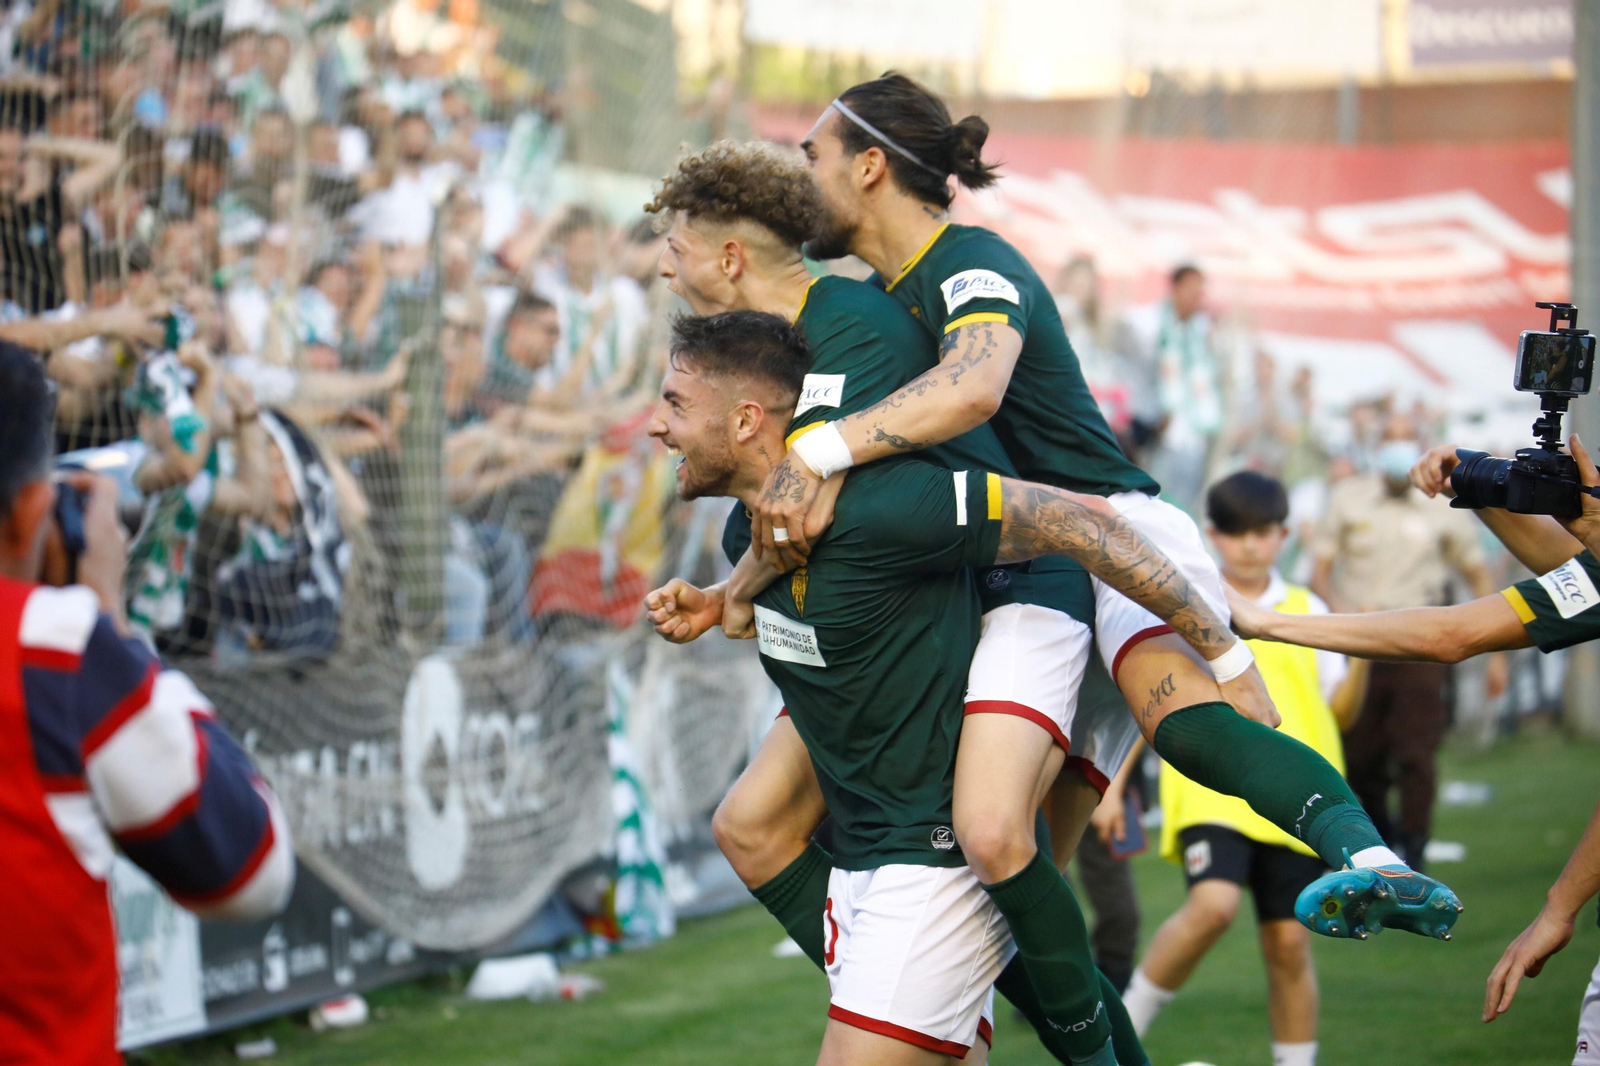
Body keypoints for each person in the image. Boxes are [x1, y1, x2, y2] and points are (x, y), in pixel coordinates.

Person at [750, 71, 1455, 941]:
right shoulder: (870, 298)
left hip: (1110, 528)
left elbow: (973, 387)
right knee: (1005, 887)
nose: (798, 174)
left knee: (1184, 726)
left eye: (809, 153)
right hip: (1026, 575)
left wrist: (817, 452)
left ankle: (1372, 861)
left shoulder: (970, 259)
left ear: (867, 166)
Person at [644, 139, 1164, 1064]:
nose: (661, 265)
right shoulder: (782, 351)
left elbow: (813, 495)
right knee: (751, 825)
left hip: (997, 578)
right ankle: (903, 991)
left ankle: (987, 1013)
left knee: (993, 843)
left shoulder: (854, 321)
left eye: (674, 247)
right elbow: (783, 506)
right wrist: (733, 590)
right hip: (893, 582)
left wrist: (1228, 649)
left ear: (728, 258)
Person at [1227, 436, 1600, 1037]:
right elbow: (1563, 581)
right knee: (1372, 762)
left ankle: (1407, 858)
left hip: (1395, 638)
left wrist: (1267, 621)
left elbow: (1451, 633)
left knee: (1416, 760)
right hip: (1379, 637)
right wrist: (1478, 489)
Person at [0, 341, 294, 1065]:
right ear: (31, 507)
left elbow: (245, 490)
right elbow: (250, 868)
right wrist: (110, 619)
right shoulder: (50, 644)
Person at [1123, 472, 1369, 1066]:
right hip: (1211, 787)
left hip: (1296, 795)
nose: (1250, 546)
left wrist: (1359, 648)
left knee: (1289, 942)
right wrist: (1112, 790)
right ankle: (1121, 1032)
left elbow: (1340, 710)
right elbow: (1150, 693)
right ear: (1213, 535)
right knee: (1213, 907)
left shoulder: (1308, 610)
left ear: (1283, 534)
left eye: (1262, 532)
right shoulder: (1189, 601)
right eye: (1235, 534)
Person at [1310, 413, 1509, 870]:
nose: (1397, 448)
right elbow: (1320, 570)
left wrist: (1497, 652)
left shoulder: (1443, 505)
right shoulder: (1348, 498)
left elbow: (1477, 573)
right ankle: (1379, 845)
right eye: (1389, 439)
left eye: (1406, 440)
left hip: (1423, 640)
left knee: (1417, 752)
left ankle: (1415, 851)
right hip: (1360, 642)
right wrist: (1340, 611)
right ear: (1375, 445)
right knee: (1360, 754)